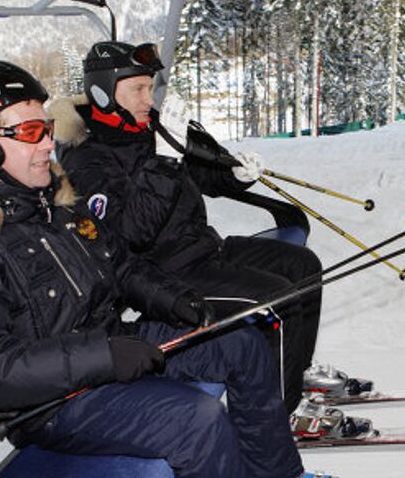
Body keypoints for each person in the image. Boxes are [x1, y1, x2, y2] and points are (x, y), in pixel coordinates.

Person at [0, 60, 303, 478]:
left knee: (242, 343)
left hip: (105, 345)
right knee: (196, 420)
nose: (46, 146)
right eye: (30, 133)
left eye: (48, 129)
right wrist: (103, 356)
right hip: (50, 400)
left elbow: (119, 264)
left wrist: (174, 298)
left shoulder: (51, 200)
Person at [52, 41, 325, 414]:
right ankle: (272, 414)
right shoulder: (88, 160)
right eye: (138, 89)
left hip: (203, 250)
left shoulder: (151, 129)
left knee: (303, 266)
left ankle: (288, 374)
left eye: (150, 87)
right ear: (103, 92)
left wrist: (234, 174)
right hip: (163, 275)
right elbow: (131, 235)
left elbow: (208, 179)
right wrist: (165, 162)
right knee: (280, 300)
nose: (148, 98)